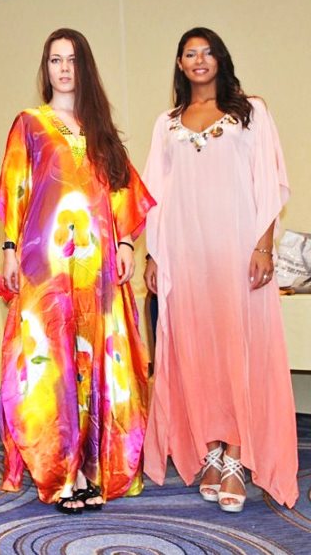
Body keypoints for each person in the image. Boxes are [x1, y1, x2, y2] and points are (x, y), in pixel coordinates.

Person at [0, 28, 154, 514]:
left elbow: (122, 191)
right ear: (46, 69)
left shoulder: (101, 128)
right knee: (52, 365)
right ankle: (61, 471)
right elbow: (16, 188)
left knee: (95, 363)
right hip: (46, 265)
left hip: (98, 269)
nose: (63, 68)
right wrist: (9, 249)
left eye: (71, 60)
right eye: (55, 60)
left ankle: (91, 467)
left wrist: (125, 242)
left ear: (84, 68)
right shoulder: (30, 122)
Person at [142, 27, 297, 512]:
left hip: (237, 251)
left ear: (220, 59)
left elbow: (268, 181)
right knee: (196, 351)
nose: (199, 60)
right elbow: (154, 194)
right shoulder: (167, 123)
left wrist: (264, 246)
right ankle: (208, 447)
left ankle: (236, 453)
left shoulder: (250, 111)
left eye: (207, 52)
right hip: (185, 255)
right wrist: (153, 255)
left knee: (238, 350)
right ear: (180, 64)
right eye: (190, 53)